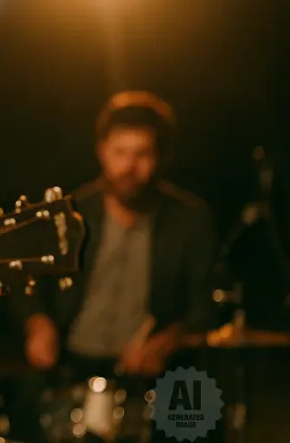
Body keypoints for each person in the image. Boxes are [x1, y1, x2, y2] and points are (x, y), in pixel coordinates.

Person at [12, 91, 219, 441]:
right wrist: (36, 323)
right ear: (102, 150)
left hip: (150, 378)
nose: (129, 167)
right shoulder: (71, 214)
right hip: (68, 366)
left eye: (142, 154)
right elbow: (22, 276)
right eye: (120, 152)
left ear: (162, 157)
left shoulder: (191, 221)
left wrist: (168, 341)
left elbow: (207, 308)